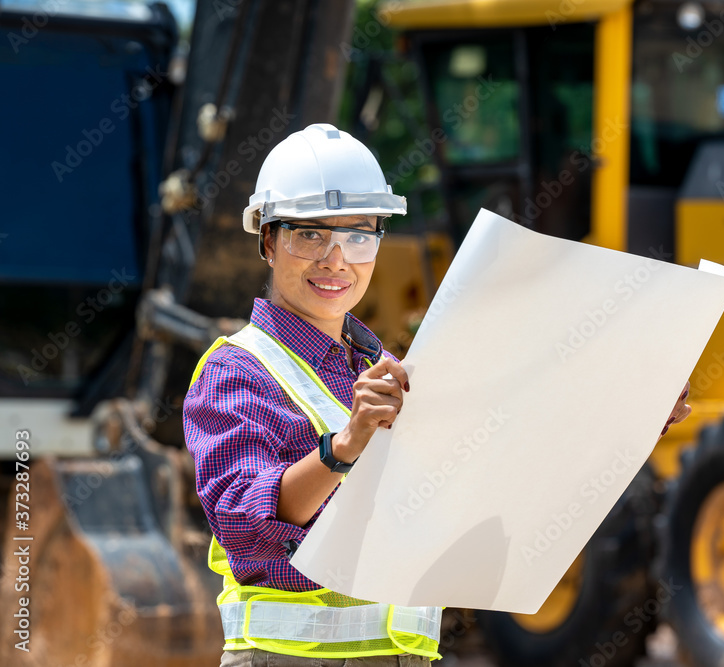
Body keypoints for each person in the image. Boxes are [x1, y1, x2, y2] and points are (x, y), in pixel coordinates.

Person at [183, 123, 691, 667]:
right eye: (309, 235)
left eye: (358, 235)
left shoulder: (392, 373)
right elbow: (242, 522)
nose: (336, 259)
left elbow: (501, 477)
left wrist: (634, 413)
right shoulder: (237, 371)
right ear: (267, 240)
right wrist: (345, 445)